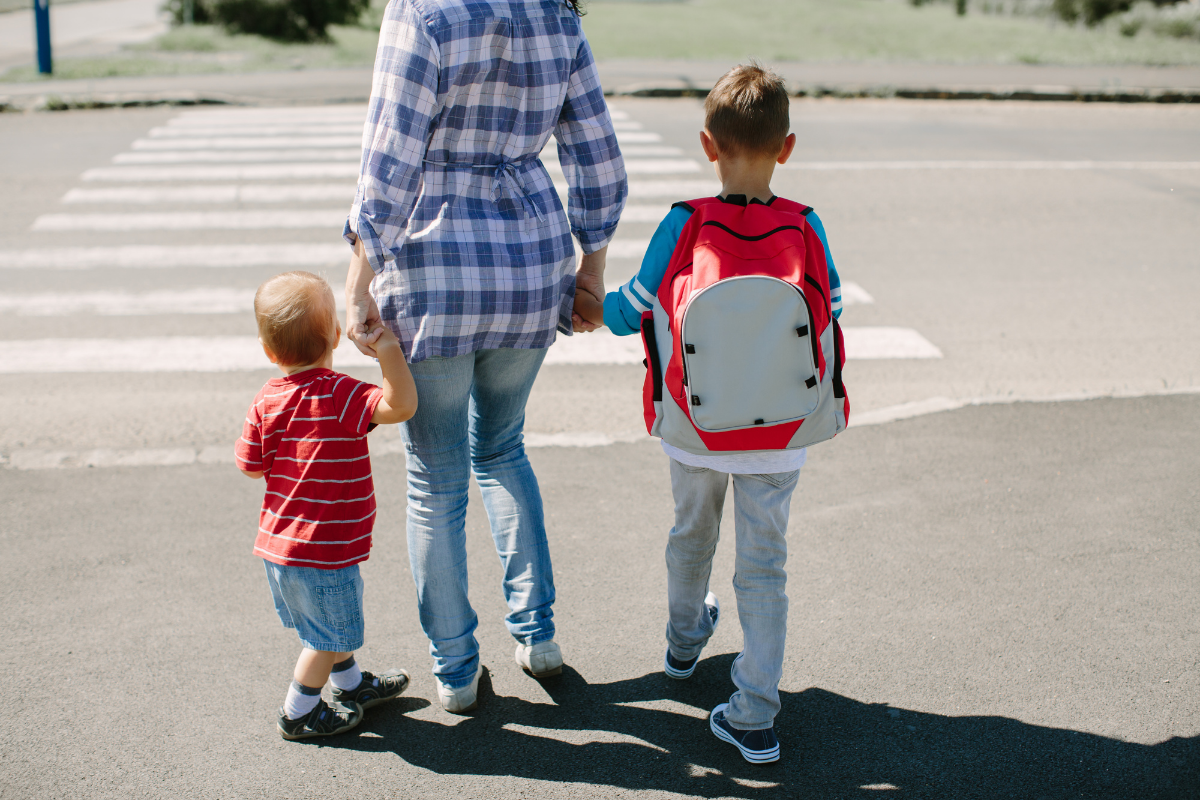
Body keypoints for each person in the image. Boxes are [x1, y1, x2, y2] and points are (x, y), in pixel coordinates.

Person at [342, 0, 627, 713]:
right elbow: (594, 149)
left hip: (436, 266)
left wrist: (357, 280)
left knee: (434, 482)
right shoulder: (557, 14)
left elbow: (391, 150)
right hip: (530, 263)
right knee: (502, 450)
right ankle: (537, 636)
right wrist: (591, 265)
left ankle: (456, 670)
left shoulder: (423, 10)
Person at [573, 63, 843, 764]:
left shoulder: (684, 224)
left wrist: (586, 304)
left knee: (692, 533)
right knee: (765, 569)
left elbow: (629, 312)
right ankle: (754, 710)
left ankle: (685, 641)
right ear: (786, 148)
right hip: (780, 433)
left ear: (707, 144)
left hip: (694, 426)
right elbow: (830, 315)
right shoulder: (806, 225)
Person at [235, 271, 419, 740]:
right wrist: (389, 351)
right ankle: (298, 713)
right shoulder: (341, 393)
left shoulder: (266, 400)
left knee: (328, 625)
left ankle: (352, 685)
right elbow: (399, 407)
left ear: (268, 350)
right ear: (335, 335)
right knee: (328, 636)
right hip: (324, 551)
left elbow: (250, 466)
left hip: (280, 548)